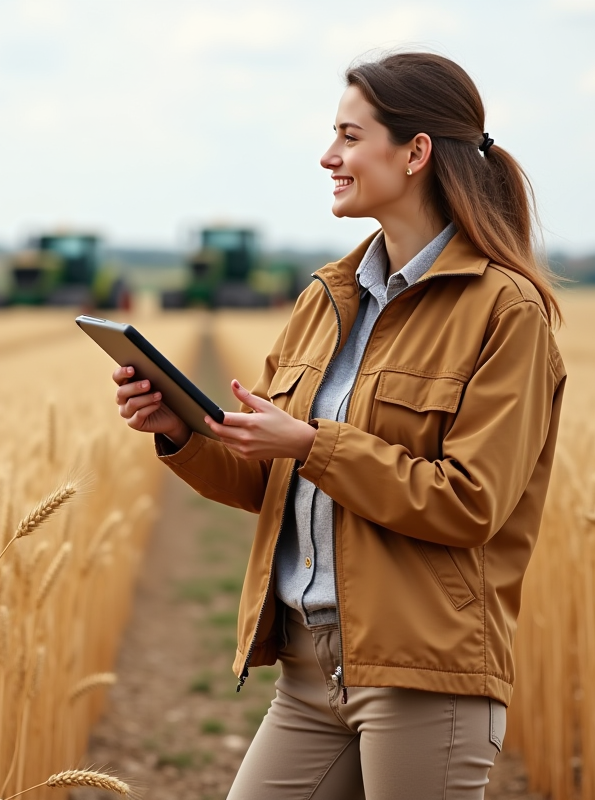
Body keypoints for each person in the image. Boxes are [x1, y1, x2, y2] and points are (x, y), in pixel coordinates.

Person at [111, 52, 567, 799]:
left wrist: (314, 445)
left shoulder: (505, 312)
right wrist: (181, 431)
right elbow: (270, 478)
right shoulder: (325, 299)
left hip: (425, 675)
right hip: (310, 669)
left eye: (350, 137)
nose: (329, 157)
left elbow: (470, 502)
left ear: (415, 152)